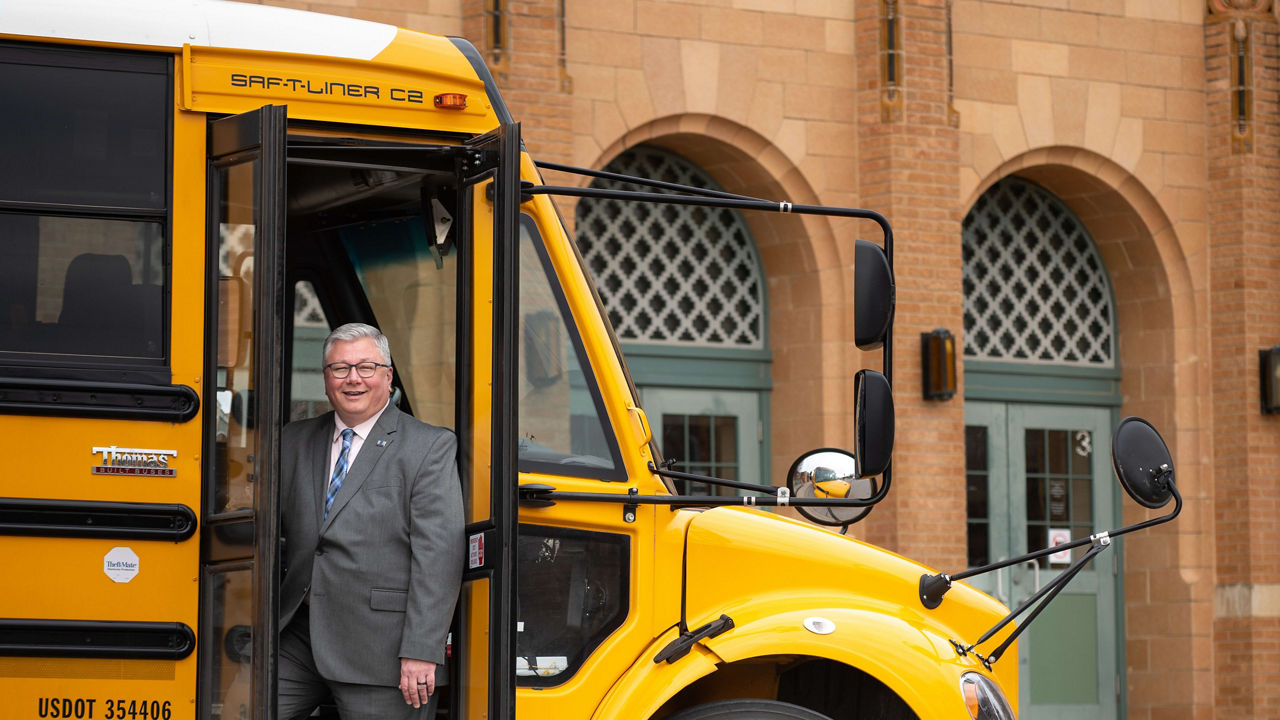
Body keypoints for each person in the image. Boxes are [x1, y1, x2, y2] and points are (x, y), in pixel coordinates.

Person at [278, 322, 464, 720]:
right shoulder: (292, 441)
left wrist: (420, 650)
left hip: (382, 649)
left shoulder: (428, 446)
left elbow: (440, 555)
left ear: (388, 375)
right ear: (326, 379)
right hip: (296, 636)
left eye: (366, 367)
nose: (353, 380)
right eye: (339, 369)